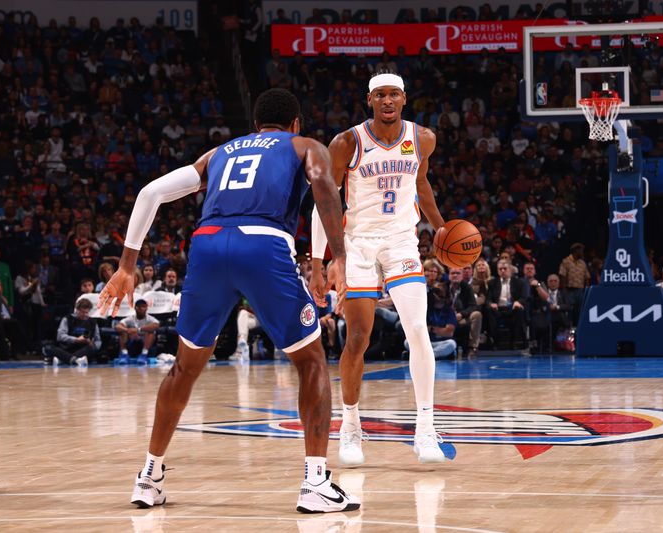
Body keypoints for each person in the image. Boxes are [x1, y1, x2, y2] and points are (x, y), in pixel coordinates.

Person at [98, 88, 358, 513]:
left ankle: (149, 476)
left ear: (256, 125)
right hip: (263, 243)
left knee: (184, 366)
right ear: (295, 123)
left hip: (208, 244)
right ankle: (315, 483)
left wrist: (127, 265)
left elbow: (149, 193)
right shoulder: (303, 145)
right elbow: (325, 188)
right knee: (310, 359)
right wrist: (338, 258)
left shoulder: (219, 152)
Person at [310, 72, 447, 465]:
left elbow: (421, 185)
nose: (388, 101)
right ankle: (350, 426)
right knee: (358, 339)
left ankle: (426, 429)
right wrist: (319, 262)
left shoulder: (422, 139)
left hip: (402, 240)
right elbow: (326, 202)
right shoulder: (347, 142)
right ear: (368, 100)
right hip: (358, 245)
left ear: (405, 98)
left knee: (418, 330)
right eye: (380, 95)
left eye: (395, 95)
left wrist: (441, 229)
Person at [43, 298, 100, 366]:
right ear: (77, 310)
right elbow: (60, 336)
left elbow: (98, 341)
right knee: (47, 347)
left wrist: (92, 344)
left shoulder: (93, 322)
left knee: (92, 349)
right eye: (82, 312)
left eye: (87, 312)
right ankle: (76, 360)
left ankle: (63, 359)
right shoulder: (67, 319)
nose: (85, 315)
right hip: (67, 348)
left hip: (83, 350)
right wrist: (76, 340)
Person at [487, 259, 528, 352]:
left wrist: (518, 302)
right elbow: (488, 299)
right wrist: (490, 303)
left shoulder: (519, 282)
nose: (502, 271)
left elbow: (524, 297)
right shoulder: (492, 283)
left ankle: (513, 342)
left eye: (505, 269)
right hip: (498, 309)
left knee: (519, 310)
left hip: (512, 308)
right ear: (497, 270)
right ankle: (495, 343)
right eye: (500, 269)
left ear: (510, 269)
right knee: (489, 310)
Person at [115, 299, 159, 364]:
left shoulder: (150, 319)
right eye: (138, 307)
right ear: (135, 308)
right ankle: (124, 354)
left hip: (145, 342)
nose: (141, 309)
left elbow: (156, 325)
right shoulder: (130, 318)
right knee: (122, 331)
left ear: (146, 308)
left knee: (150, 332)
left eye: (143, 307)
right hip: (132, 341)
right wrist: (128, 330)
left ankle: (144, 354)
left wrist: (138, 329)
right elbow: (118, 326)